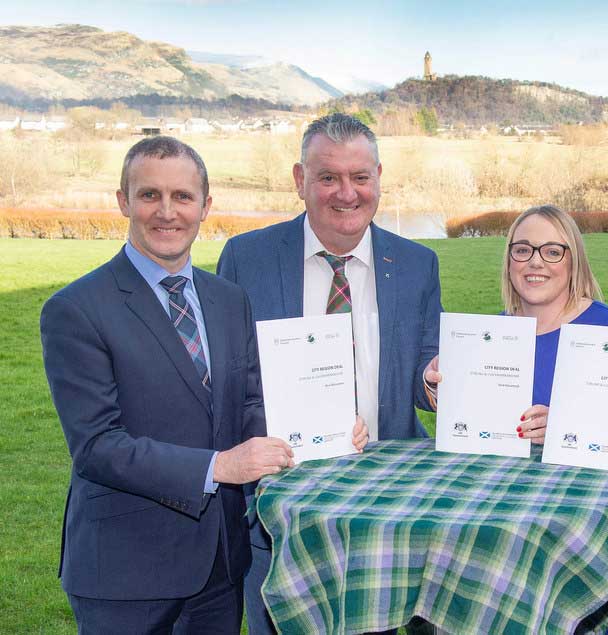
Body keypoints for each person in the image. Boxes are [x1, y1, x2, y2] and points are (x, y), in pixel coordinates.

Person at [38, 136, 367, 633]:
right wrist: (222, 465)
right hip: (126, 571)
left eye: (183, 197)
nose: (166, 212)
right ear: (123, 201)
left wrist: (324, 430)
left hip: (220, 565)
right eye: (150, 195)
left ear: (206, 206)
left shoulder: (228, 299)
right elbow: (97, 447)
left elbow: (250, 403)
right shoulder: (76, 309)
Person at [217, 113, 442, 635]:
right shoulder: (246, 258)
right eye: (328, 177)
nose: (347, 193)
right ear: (300, 180)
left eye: (360, 177)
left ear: (379, 177)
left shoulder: (416, 263)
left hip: (392, 509)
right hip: (284, 510)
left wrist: (433, 381)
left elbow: (421, 375)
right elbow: (231, 381)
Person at [426, 205, 608, 634]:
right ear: (509, 261)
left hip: (588, 544)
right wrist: (441, 389)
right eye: (523, 250)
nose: (535, 261)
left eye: (552, 251)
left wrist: (565, 426)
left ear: (573, 259)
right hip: (514, 545)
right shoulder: (491, 337)